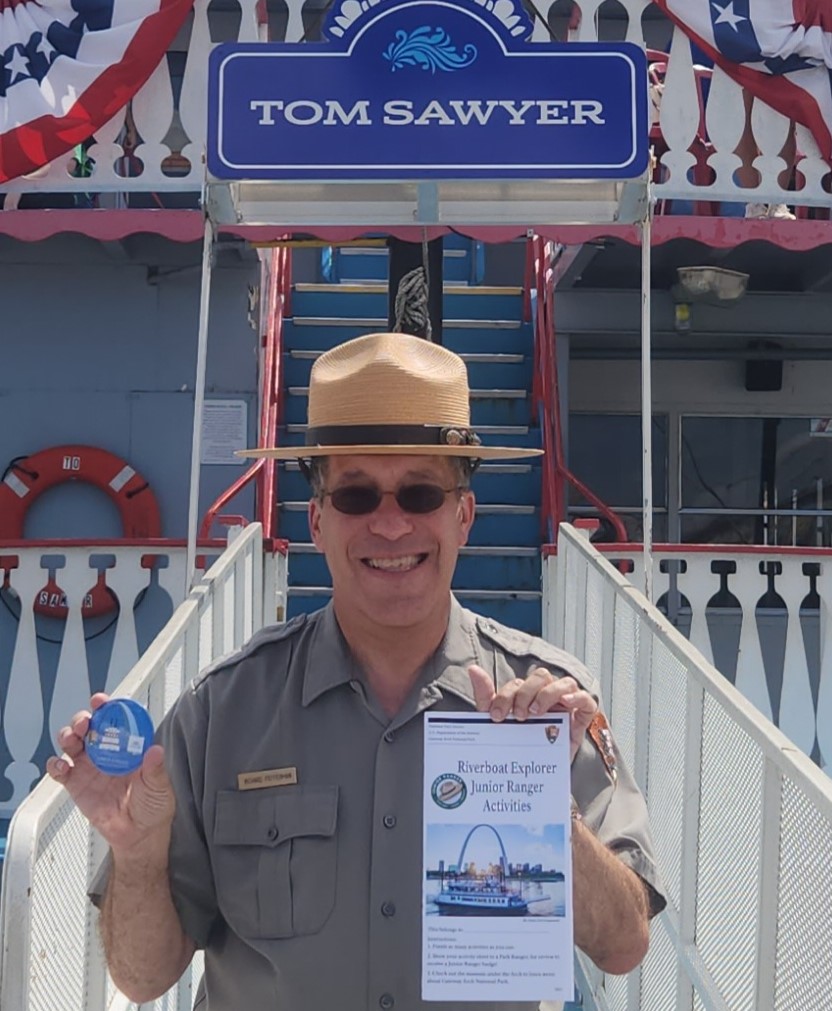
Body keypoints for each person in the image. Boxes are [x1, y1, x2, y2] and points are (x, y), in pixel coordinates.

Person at [49, 331, 665, 1011]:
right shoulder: (221, 711)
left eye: (421, 493)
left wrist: (545, 809)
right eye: (356, 496)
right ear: (317, 520)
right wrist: (136, 853)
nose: (391, 525)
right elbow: (142, 978)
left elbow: (622, 945)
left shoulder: (545, 708)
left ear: (462, 516)